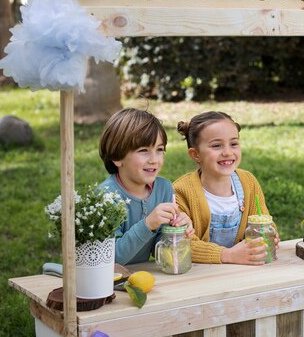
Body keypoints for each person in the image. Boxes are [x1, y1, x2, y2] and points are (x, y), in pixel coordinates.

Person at [174, 111, 279, 265]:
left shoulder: (248, 182)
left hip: (244, 272)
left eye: (234, 144)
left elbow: (263, 222)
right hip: (200, 277)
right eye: (216, 146)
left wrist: (270, 235)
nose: (228, 152)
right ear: (196, 155)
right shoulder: (181, 192)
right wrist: (227, 255)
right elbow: (181, 243)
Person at [99, 108, 193, 265]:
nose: (154, 160)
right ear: (117, 157)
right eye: (143, 151)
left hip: (142, 277)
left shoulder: (164, 188)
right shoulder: (107, 197)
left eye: (160, 150)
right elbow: (111, 259)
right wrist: (148, 224)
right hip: (107, 283)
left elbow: (159, 252)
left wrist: (177, 232)